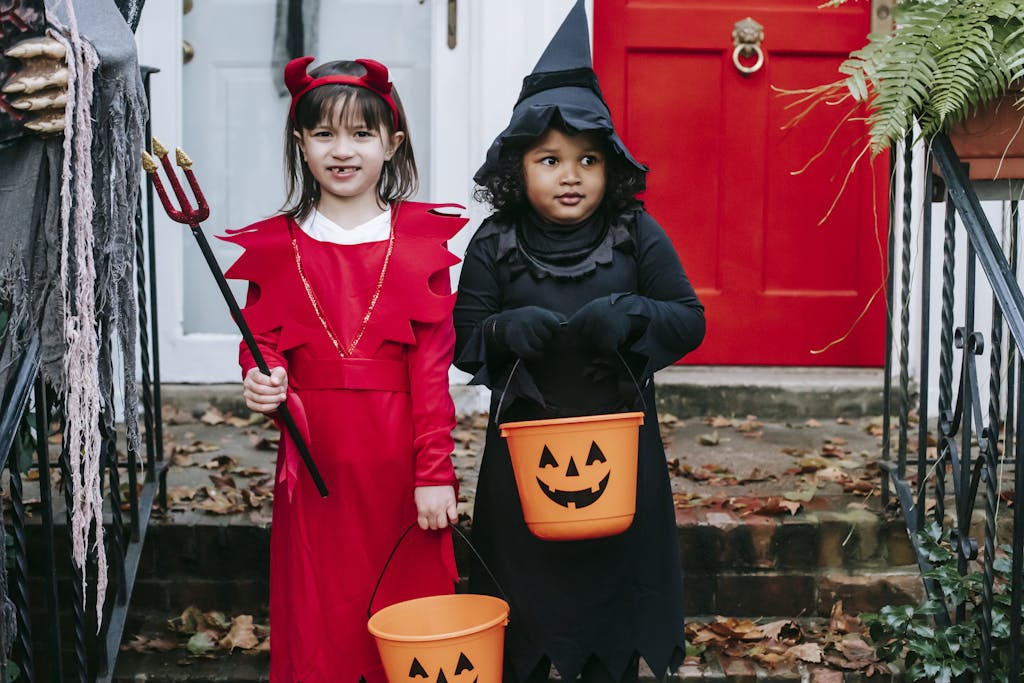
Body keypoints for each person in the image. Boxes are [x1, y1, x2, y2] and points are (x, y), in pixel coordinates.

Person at [452, 2, 706, 682]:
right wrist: (503, 331)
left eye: (588, 159)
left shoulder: (635, 233)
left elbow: (689, 318)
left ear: (610, 166)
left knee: (613, 605)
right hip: (523, 449)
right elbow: (464, 340)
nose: (571, 174)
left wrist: (633, 315)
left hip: (618, 447)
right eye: (550, 159)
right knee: (526, 598)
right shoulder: (495, 244)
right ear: (518, 166)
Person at [223, 56, 466, 683]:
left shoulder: (418, 245)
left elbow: (432, 373)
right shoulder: (278, 247)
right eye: (324, 134)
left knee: (406, 611)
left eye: (361, 134)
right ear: (300, 144)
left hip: (399, 461)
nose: (343, 150)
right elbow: (262, 340)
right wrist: (262, 373)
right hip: (316, 462)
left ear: (392, 144)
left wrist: (434, 473)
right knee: (320, 611)